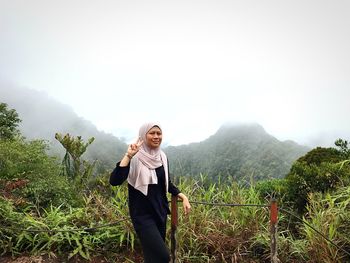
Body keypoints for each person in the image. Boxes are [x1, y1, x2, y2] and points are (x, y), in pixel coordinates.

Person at [110, 122, 191, 263]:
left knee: (152, 257)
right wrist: (128, 156)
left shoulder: (162, 157)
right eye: (152, 133)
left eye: (159, 133)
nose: (156, 136)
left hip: (160, 212)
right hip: (142, 215)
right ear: (143, 135)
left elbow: (167, 183)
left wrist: (182, 196)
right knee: (163, 256)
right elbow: (115, 180)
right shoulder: (135, 157)